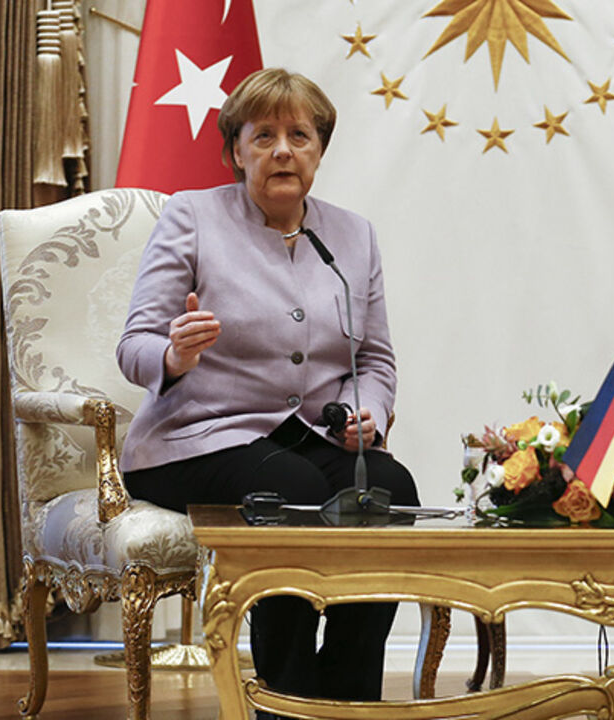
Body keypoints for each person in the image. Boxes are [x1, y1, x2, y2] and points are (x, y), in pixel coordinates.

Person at [117, 68, 418, 716]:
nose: (283, 149)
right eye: (264, 136)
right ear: (235, 150)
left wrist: (375, 411)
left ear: (319, 150)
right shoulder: (192, 215)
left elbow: (377, 359)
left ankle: (347, 699)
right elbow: (132, 345)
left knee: (391, 492)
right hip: (196, 437)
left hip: (307, 436)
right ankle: (286, 700)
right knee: (296, 494)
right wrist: (174, 353)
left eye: (300, 135)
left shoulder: (354, 235)